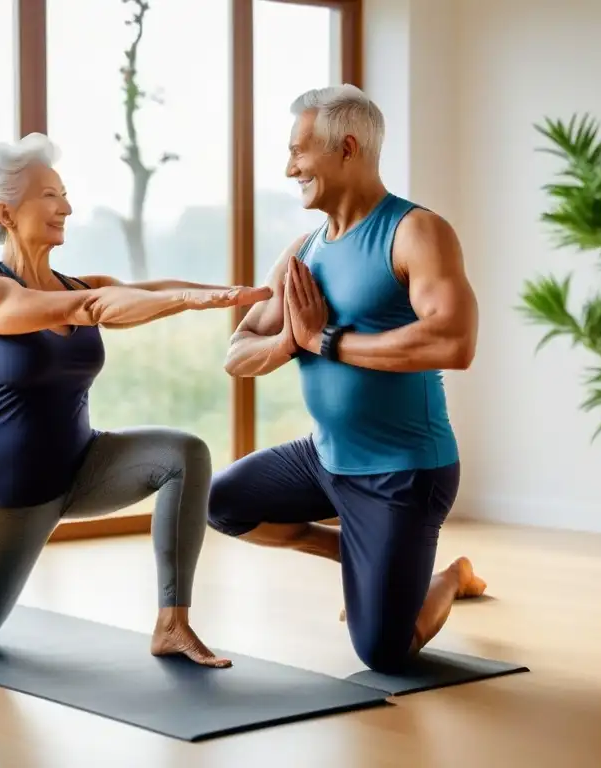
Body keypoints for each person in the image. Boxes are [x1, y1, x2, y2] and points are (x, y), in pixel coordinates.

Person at [0, 132, 270, 668]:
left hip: (79, 466)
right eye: (50, 195)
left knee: (184, 454)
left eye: (64, 194)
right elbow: (92, 308)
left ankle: (172, 624)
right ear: (6, 211)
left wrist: (235, 294)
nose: (66, 207)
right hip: (4, 488)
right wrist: (193, 299)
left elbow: (137, 293)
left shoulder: (76, 282)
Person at [208, 85, 486, 673]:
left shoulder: (415, 231)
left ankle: (449, 579)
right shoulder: (303, 252)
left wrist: (324, 341)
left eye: (298, 152)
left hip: (403, 470)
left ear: (347, 148)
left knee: (383, 653)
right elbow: (237, 354)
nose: (289, 168)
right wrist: (289, 340)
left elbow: (453, 342)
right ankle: (357, 554)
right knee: (224, 503)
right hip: (325, 458)